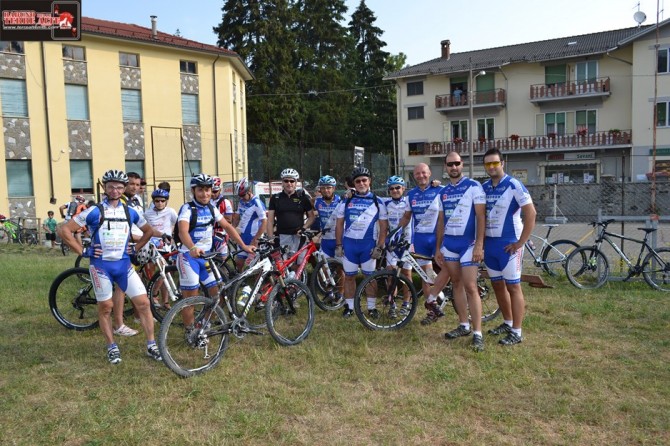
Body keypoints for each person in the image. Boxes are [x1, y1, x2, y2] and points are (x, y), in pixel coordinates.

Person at [58, 169, 162, 364]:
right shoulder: (94, 211)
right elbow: (64, 229)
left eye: (119, 187)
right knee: (106, 307)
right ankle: (112, 347)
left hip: (124, 266)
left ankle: (151, 345)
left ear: (124, 189)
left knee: (144, 304)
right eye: (111, 187)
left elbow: (148, 231)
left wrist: (136, 248)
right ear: (105, 188)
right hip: (101, 267)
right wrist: (83, 251)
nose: (115, 190)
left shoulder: (130, 211)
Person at [176, 174, 255, 330]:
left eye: (207, 190)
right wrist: (192, 247)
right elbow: (182, 232)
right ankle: (190, 333)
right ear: (193, 191)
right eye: (200, 190)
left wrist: (244, 246)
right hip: (188, 257)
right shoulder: (187, 208)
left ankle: (204, 325)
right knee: (191, 299)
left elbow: (227, 226)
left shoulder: (211, 208)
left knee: (217, 295)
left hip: (205, 258)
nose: (204, 194)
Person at [481, 148, 536, 346]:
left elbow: (531, 214)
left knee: (513, 286)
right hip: (490, 245)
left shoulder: (514, 184)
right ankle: (508, 322)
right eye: (488, 164)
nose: (492, 167)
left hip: (509, 245)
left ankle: (517, 332)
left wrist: (520, 242)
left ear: (502, 163)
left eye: (495, 163)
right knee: (497, 285)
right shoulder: (484, 187)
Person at [434, 152, 487, 351]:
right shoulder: (443, 192)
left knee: (471, 286)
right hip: (450, 244)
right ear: (445, 167)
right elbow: (441, 221)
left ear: (462, 164)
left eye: (457, 163)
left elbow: (481, 217)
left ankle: (478, 333)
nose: (454, 167)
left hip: (468, 244)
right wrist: (438, 247)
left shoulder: (473, 186)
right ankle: (463, 325)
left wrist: (479, 244)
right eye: (450, 164)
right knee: (456, 283)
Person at [335, 166, 388, 318]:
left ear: (369, 181)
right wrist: (338, 244)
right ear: (354, 183)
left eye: (364, 180)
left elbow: (384, 226)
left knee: (370, 277)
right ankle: (349, 307)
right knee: (349, 277)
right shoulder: (346, 200)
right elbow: (339, 224)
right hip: (350, 246)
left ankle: (371, 308)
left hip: (368, 246)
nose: (361, 183)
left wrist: (380, 246)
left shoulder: (378, 201)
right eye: (358, 181)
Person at [398, 163, 445, 325]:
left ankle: (444, 296)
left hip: (439, 237)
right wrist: (396, 231)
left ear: (429, 173)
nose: (421, 176)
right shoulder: (411, 194)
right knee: (426, 277)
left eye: (424, 172)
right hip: (421, 239)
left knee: (450, 271)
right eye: (417, 173)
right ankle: (432, 311)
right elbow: (406, 217)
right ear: (414, 176)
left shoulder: (440, 190)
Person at [266, 168, 315, 272]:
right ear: (282, 182)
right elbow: (270, 220)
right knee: (282, 265)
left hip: (298, 236)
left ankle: (297, 282)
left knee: (300, 264)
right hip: (282, 236)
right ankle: (286, 282)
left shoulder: (303, 198)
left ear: (296, 183)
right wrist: (270, 238)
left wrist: (304, 228)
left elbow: (311, 217)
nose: (289, 183)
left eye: (292, 181)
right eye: (286, 181)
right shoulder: (275, 198)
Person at [382, 175, 413, 317]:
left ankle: (406, 304)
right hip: (392, 245)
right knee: (391, 275)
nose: (395, 190)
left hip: (407, 243)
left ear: (403, 188)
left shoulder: (409, 201)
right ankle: (392, 304)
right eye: (392, 188)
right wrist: (351, 192)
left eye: (398, 188)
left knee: (406, 274)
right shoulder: (385, 203)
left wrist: (435, 184)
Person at [313, 175, 343, 304]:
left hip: (338, 240)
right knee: (322, 268)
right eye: (323, 188)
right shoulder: (317, 202)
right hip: (325, 241)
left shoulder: (341, 201)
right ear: (320, 189)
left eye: (329, 188)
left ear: (334, 188)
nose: (326, 190)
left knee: (340, 269)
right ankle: (329, 292)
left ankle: (340, 294)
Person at [232, 177, 267, 272]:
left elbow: (264, 222)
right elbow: (237, 217)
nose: (241, 197)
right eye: (239, 196)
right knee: (239, 263)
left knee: (253, 267)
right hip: (243, 237)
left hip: (254, 237)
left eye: (243, 195)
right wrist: (232, 229)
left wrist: (256, 239)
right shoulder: (241, 202)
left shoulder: (257, 202)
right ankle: (239, 280)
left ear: (249, 191)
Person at [211, 176, 234, 259]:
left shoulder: (225, 202)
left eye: (215, 191)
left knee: (222, 259)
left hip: (220, 234)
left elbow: (229, 220)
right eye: (211, 191)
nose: (213, 194)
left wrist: (216, 219)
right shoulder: (207, 201)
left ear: (220, 190)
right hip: (208, 234)